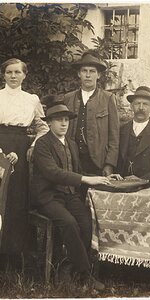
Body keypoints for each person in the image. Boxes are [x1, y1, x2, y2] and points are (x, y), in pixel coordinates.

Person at [31, 99, 119, 290]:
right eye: (58, 120)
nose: (63, 123)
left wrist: (102, 177)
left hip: (69, 196)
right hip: (48, 197)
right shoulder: (43, 144)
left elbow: (78, 171)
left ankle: (68, 268)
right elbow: (53, 173)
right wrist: (85, 180)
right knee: (69, 222)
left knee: (87, 222)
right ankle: (85, 275)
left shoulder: (71, 143)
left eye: (66, 120)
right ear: (49, 123)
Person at [0, 58, 48, 267]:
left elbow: (43, 127)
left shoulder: (31, 99)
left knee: (17, 198)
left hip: (20, 146)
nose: (13, 76)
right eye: (9, 72)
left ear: (24, 75)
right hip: (0, 146)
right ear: (3, 74)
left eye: (17, 72)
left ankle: (16, 253)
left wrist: (33, 146)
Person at [63, 50, 119, 177]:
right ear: (79, 74)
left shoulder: (108, 98)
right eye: (84, 71)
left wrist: (109, 164)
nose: (88, 75)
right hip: (72, 159)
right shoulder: (68, 98)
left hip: (97, 161)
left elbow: (114, 136)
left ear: (98, 75)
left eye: (92, 71)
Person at [117, 86, 150, 182]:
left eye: (145, 104)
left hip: (147, 184)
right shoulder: (121, 130)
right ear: (131, 106)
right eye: (137, 104)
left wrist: (143, 179)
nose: (141, 108)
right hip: (121, 183)